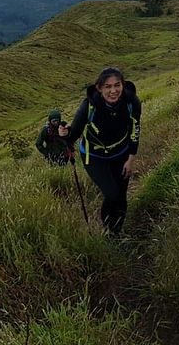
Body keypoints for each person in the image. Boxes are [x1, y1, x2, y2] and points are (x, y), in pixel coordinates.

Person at [59, 67, 141, 234]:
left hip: (121, 153)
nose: (113, 91)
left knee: (121, 196)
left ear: (123, 85)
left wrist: (131, 158)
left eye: (117, 85)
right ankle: (107, 226)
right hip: (94, 156)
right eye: (107, 86)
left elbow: (135, 130)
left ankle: (116, 230)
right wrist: (65, 133)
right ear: (99, 88)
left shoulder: (132, 102)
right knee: (112, 194)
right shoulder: (89, 106)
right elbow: (73, 133)